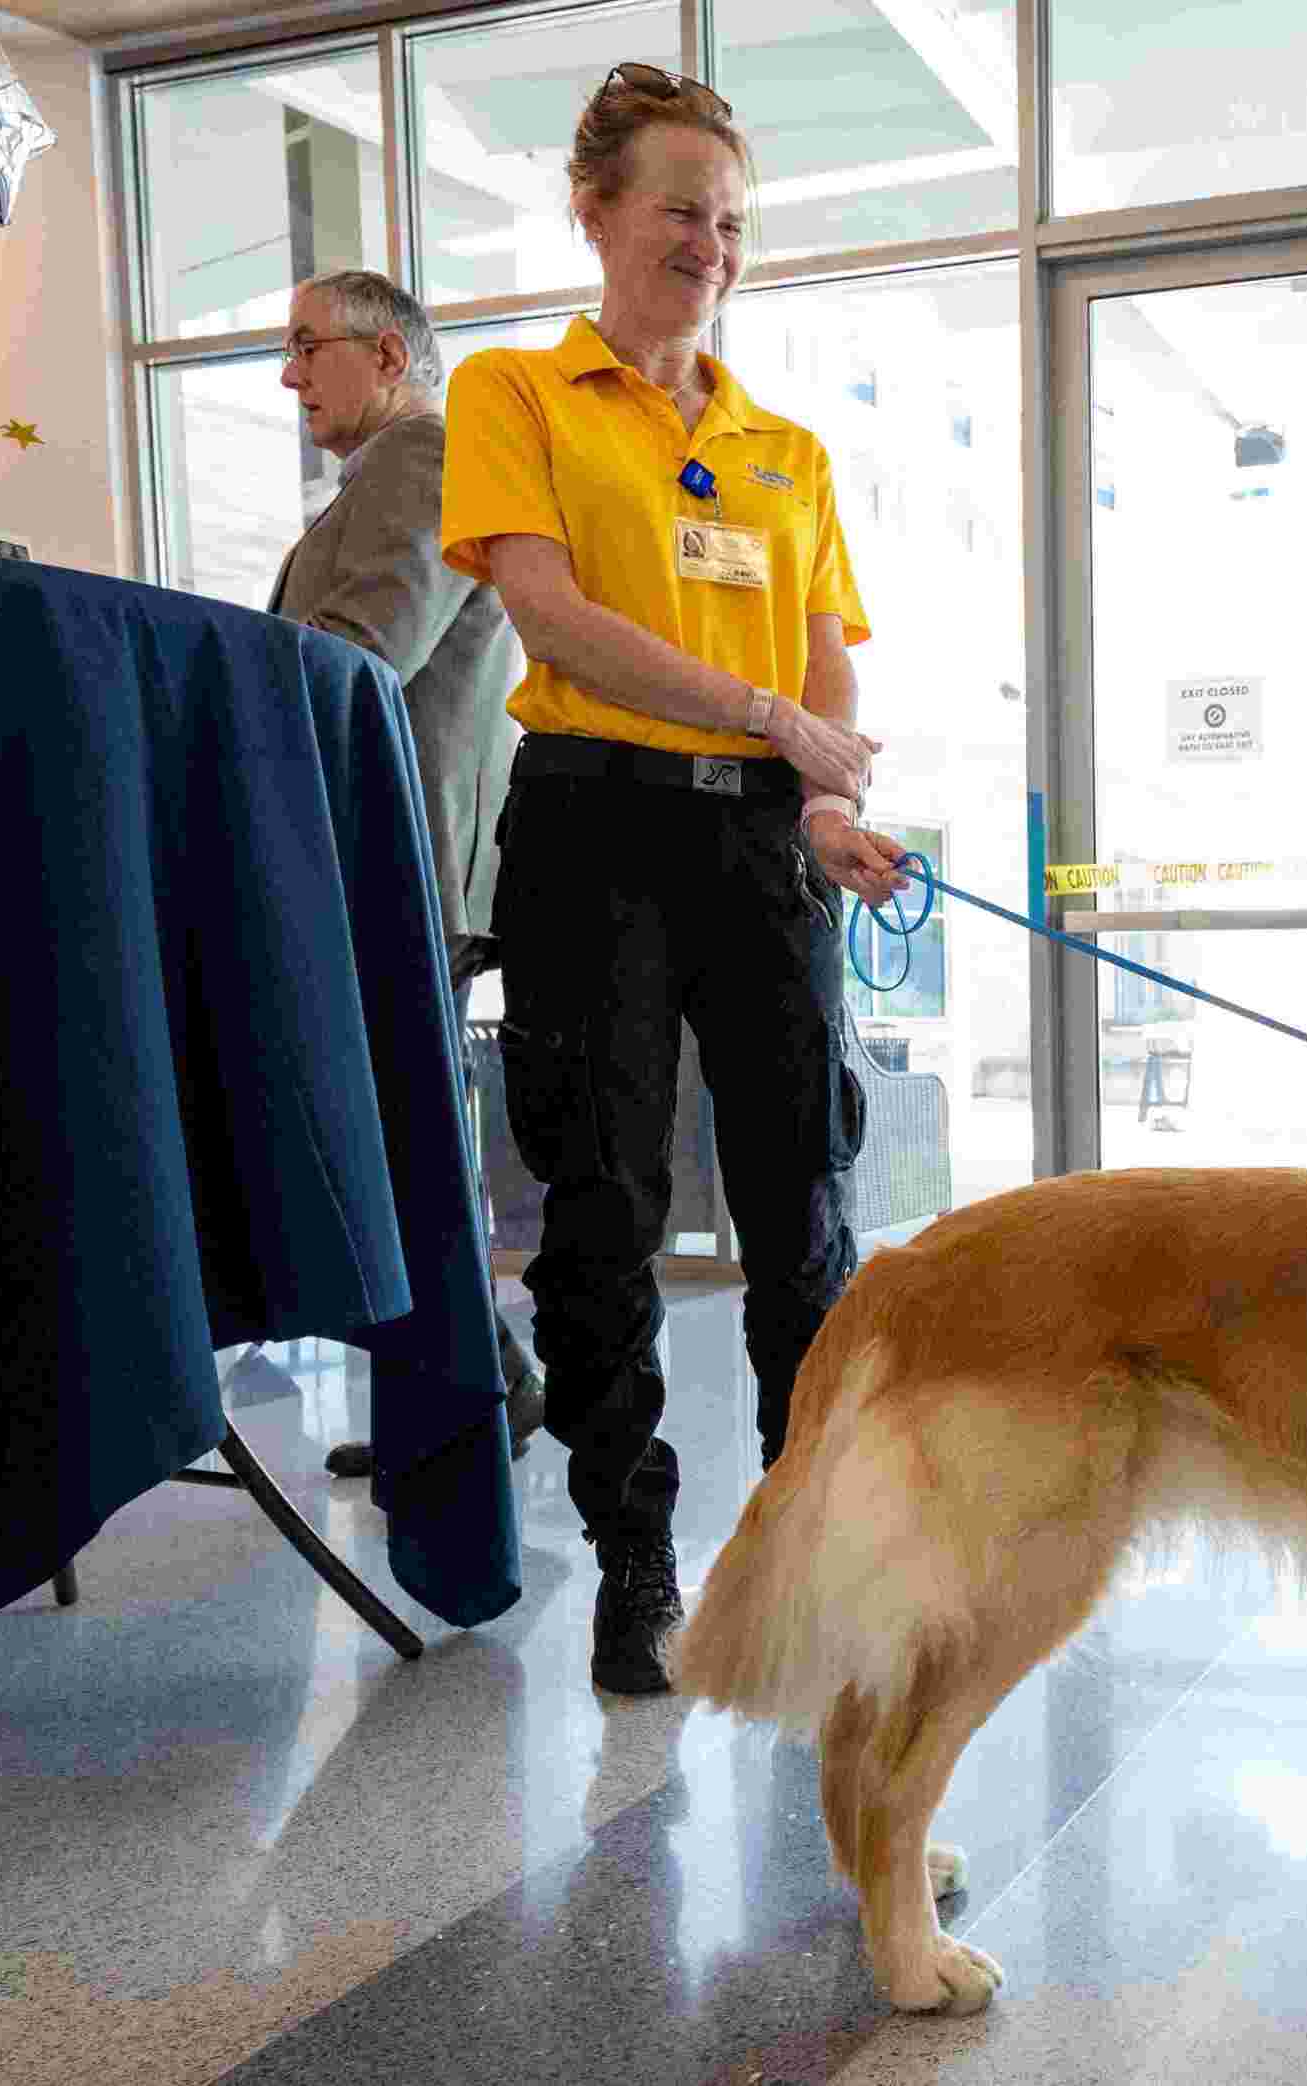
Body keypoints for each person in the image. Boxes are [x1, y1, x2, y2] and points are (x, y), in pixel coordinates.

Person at [438, 62, 913, 1696]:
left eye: (728, 219)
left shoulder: (783, 448)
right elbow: (550, 615)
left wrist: (818, 805)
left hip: (752, 844)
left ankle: (803, 1549)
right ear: (592, 212)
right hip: (591, 828)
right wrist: (774, 722)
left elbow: (824, 660)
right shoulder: (518, 395)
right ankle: (633, 1561)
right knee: (602, 1210)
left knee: (804, 1214)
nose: (707, 241)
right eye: (675, 211)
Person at [262, 266, 545, 1474]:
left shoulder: (416, 460)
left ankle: (480, 1390)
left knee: (396, 1141)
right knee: (395, 1138)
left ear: (388, 358)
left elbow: (356, 656)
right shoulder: (387, 476)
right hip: (398, 864)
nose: (287, 374)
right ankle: (460, 1395)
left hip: (397, 867)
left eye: (305, 346)